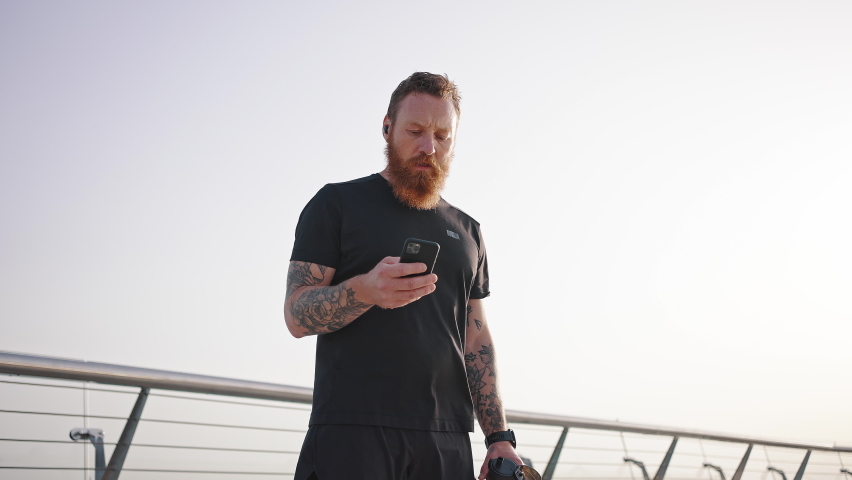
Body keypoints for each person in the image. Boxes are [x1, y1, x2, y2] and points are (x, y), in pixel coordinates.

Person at [285, 72, 523, 480]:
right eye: (415, 131)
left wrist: (499, 437)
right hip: (352, 432)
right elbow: (295, 315)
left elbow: (476, 339)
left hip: (447, 440)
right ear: (387, 128)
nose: (429, 147)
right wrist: (365, 290)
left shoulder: (469, 231)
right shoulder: (337, 203)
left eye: (443, 136)